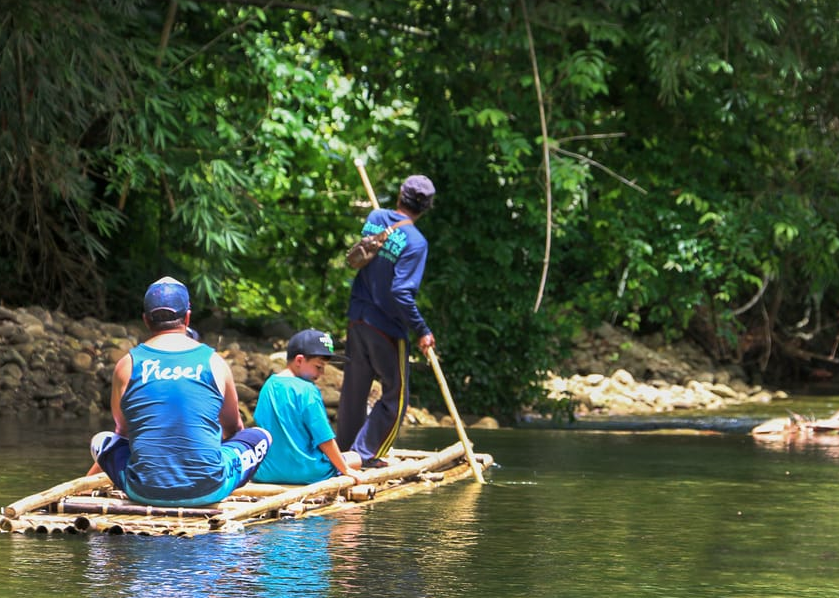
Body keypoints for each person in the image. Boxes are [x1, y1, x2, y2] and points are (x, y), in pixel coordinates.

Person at [87, 276, 272, 507]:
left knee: (101, 439)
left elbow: (122, 433)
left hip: (142, 491)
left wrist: (90, 479)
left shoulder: (126, 365)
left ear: (146, 320)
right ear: (187, 317)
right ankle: (212, 476)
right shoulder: (214, 362)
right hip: (210, 488)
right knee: (261, 436)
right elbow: (234, 428)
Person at [337, 174, 437, 468]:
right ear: (426, 208)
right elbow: (401, 292)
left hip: (357, 319)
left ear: (399, 196)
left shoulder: (376, 216)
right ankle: (365, 454)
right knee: (396, 395)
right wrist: (422, 330)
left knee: (354, 390)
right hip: (386, 327)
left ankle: (345, 451)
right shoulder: (417, 242)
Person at [252, 329, 363, 484]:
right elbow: (324, 439)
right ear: (299, 360)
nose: (322, 373)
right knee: (355, 458)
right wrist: (346, 470)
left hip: (266, 472)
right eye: (319, 366)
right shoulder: (308, 390)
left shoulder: (269, 385)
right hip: (307, 474)